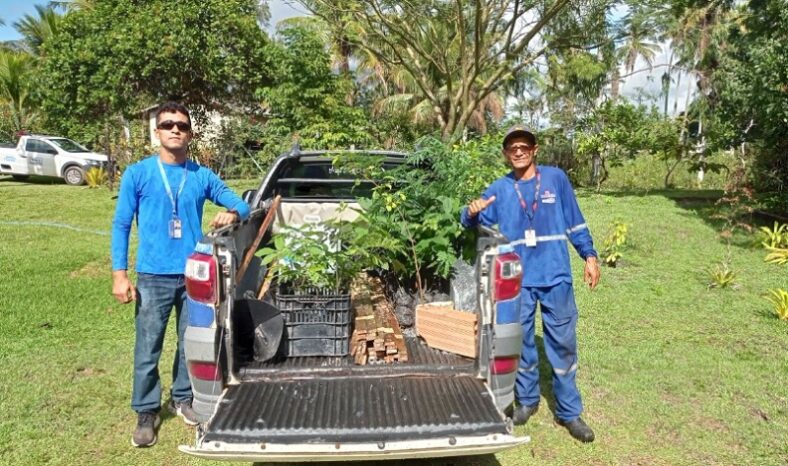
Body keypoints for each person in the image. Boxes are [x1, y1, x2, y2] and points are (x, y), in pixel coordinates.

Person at [110, 102, 251, 448]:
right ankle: (146, 410)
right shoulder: (138, 174)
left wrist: (232, 213)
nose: (175, 129)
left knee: (190, 342)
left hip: (193, 275)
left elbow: (243, 205)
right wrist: (119, 274)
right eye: (168, 124)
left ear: (189, 134)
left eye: (182, 126)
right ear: (156, 132)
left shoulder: (201, 175)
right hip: (152, 276)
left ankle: (182, 397)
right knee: (148, 345)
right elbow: (121, 224)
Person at [460, 125, 600, 443]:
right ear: (506, 154)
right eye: (512, 148)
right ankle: (527, 401)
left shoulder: (555, 180)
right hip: (518, 281)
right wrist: (469, 212)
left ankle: (569, 412)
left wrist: (589, 255)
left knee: (563, 344)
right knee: (521, 342)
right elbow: (471, 216)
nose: (519, 151)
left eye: (524, 146)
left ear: (535, 149)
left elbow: (575, 221)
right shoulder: (500, 187)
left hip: (556, 277)